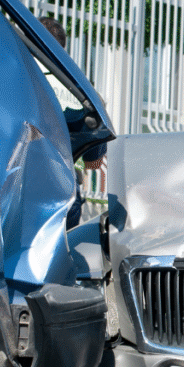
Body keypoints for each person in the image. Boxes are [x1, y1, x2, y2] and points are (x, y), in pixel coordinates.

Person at [38, 16, 107, 225]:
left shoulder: (21, 75)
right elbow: (94, 163)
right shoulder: (80, 89)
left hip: (21, 187)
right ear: (62, 48)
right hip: (65, 193)